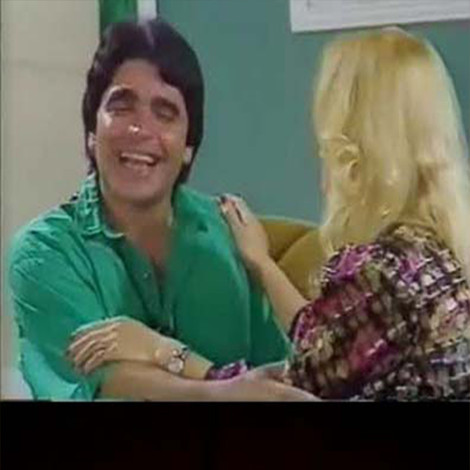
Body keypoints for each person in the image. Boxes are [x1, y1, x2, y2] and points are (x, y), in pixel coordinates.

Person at [72, 27, 470, 400]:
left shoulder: (381, 273)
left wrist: (160, 350)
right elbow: (332, 346)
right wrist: (262, 263)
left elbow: (286, 391)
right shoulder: (435, 254)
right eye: (122, 107)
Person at [7, 18, 314, 401]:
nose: (140, 129)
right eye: (122, 107)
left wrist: (160, 350)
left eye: (165, 112)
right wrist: (221, 391)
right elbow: (103, 382)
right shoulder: (43, 253)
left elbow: (278, 375)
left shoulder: (229, 233)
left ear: (188, 146)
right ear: (91, 134)